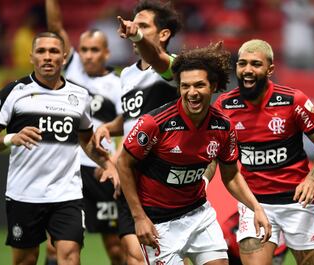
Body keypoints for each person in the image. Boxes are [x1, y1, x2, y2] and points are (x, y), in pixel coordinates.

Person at [116, 42, 271, 265]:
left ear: (213, 86)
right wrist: (138, 218)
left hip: (199, 215)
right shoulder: (154, 123)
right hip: (158, 222)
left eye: (199, 85)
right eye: (185, 86)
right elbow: (124, 164)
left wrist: (256, 208)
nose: (192, 93)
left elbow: (231, 175)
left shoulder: (223, 126)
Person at [0, 32, 118, 265]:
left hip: (67, 194)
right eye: (41, 51)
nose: (47, 57)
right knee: (26, 260)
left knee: (70, 256)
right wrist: (11, 138)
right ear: (32, 57)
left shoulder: (79, 96)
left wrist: (108, 164)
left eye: (53, 51)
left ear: (63, 57)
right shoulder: (14, 92)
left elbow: (86, 141)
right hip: (24, 194)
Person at [213, 39, 314, 265]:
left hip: (297, 203)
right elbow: (214, 153)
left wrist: (311, 179)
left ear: (270, 69)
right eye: (242, 63)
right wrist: (202, 182)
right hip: (255, 204)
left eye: (256, 64)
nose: (248, 70)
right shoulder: (225, 106)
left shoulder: (293, 100)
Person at [94, 1, 182, 264]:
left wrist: (135, 34)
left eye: (143, 25)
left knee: (168, 256)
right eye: (135, 25)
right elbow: (133, 120)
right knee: (132, 255)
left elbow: (156, 58)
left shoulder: (174, 67)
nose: (134, 30)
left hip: (162, 177)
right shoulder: (127, 75)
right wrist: (111, 137)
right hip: (132, 176)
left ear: (164, 34)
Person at [46, 0, 124, 264]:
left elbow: (130, 127)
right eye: (84, 50)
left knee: (115, 247)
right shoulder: (73, 70)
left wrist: (114, 162)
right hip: (68, 169)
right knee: (55, 246)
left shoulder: (120, 84)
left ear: (106, 53)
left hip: (101, 170)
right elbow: (55, 25)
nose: (88, 55)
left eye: (94, 50)